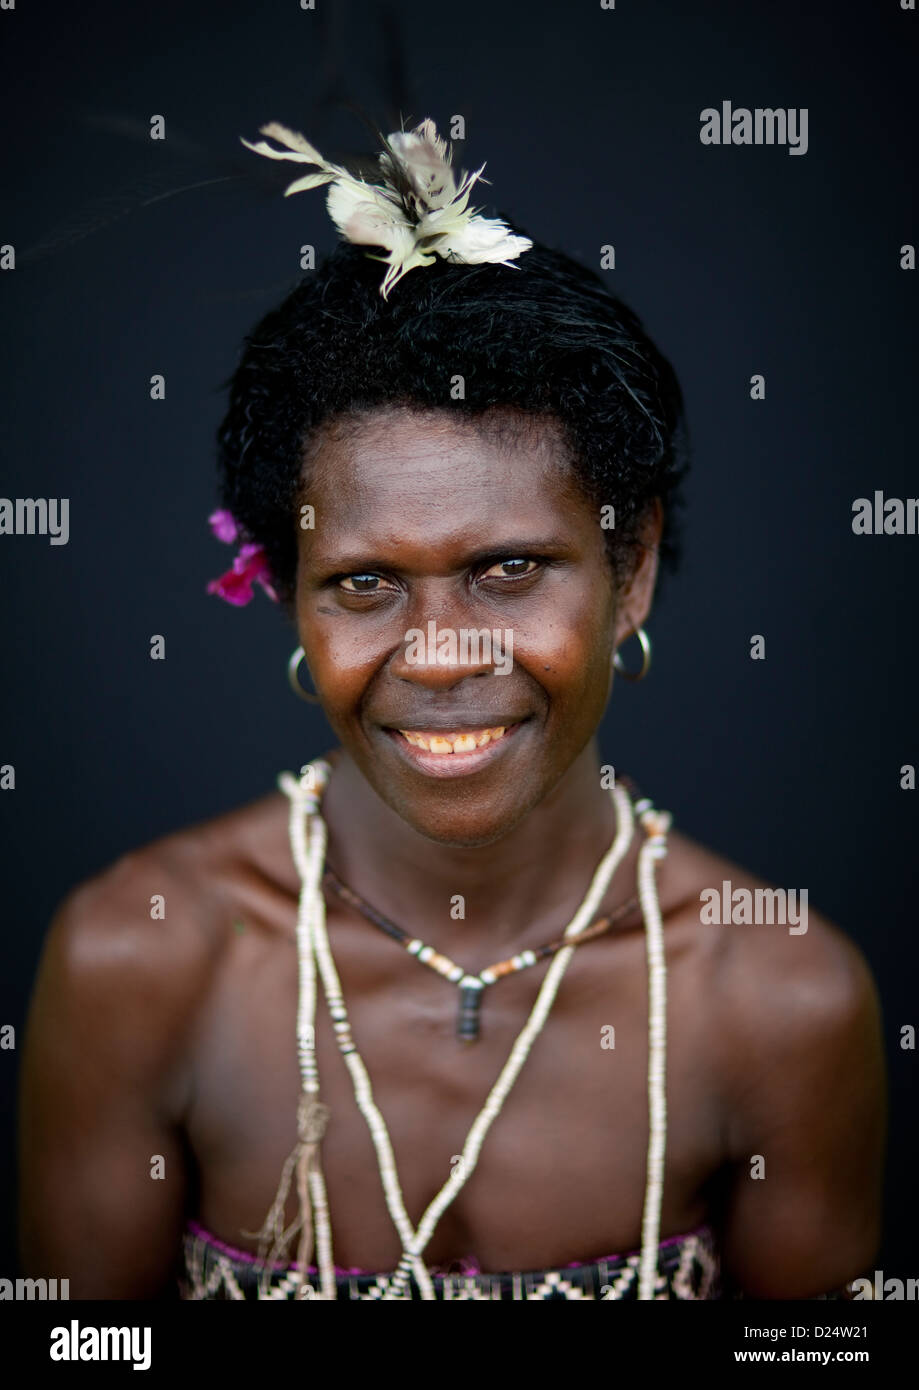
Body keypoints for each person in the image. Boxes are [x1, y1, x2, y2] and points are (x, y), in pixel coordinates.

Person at [17, 120, 886, 1301]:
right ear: (286, 592)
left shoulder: (776, 996)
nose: (439, 655)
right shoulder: (144, 958)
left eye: (510, 569)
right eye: (365, 583)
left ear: (629, 572)